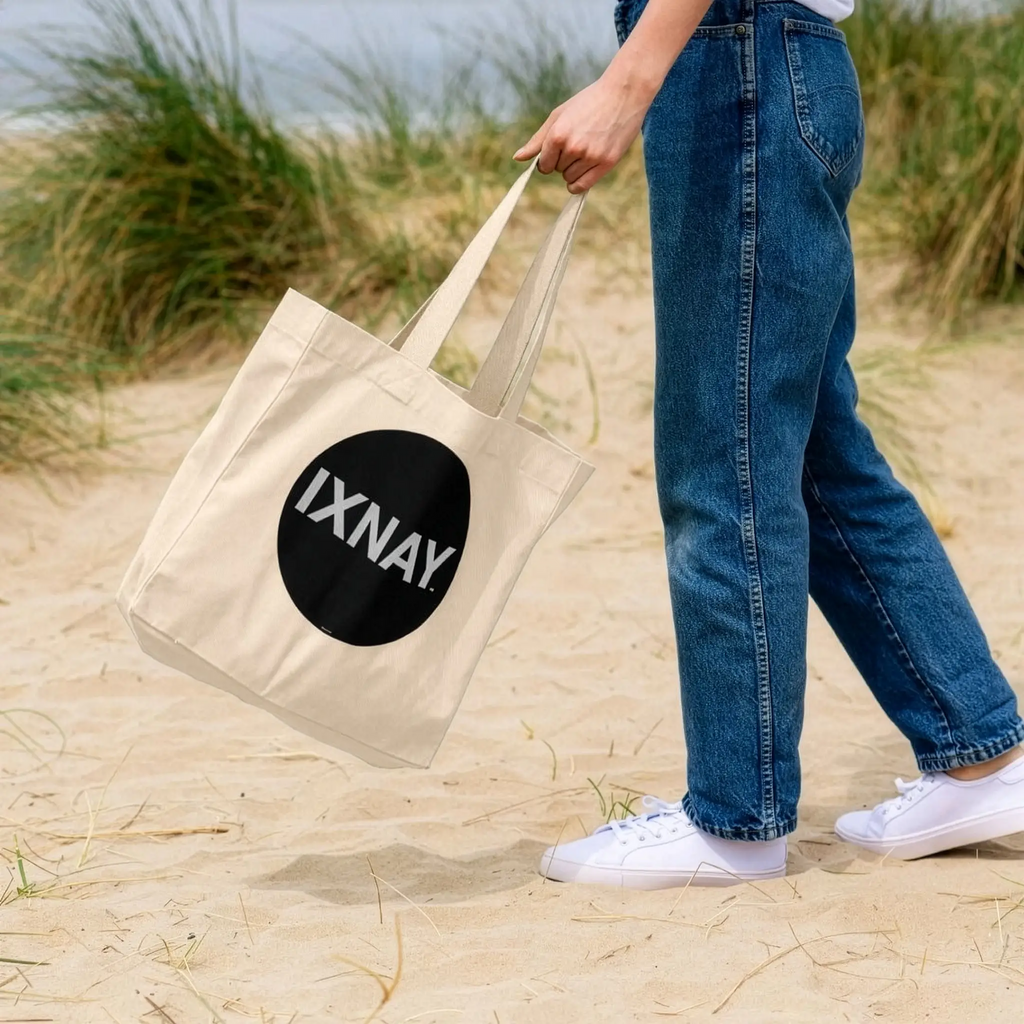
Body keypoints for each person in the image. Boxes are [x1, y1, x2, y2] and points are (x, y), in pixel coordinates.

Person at [514, 0, 1024, 888]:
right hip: (767, 60)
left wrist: (630, 80)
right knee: (816, 457)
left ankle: (734, 820)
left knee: (725, 459)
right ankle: (979, 755)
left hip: (734, 59)